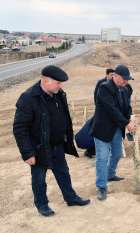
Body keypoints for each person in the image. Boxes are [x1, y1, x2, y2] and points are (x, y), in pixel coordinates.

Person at [13, 65, 90, 217]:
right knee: (39, 179)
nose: (61, 86)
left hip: (58, 145)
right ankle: (42, 205)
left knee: (63, 173)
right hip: (39, 148)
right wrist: (28, 153)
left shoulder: (58, 94)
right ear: (45, 81)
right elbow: (20, 128)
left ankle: (71, 198)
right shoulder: (28, 98)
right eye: (58, 83)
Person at [88, 65, 137, 201]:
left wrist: (131, 117)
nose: (127, 82)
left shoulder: (125, 89)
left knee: (116, 153)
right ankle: (101, 186)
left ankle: (110, 174)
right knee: (102, 158)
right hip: (102, 129)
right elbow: (112, 110)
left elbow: (127, 107)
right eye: (124, 79)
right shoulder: (105, 88)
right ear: (116, 76)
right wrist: (127, 123)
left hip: (116, 127)